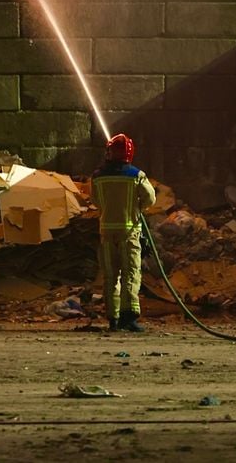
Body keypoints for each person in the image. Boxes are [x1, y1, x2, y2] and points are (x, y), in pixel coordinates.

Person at [91, 133, 156, 332]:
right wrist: (137, 207)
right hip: (129, 232)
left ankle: (113, 318)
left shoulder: (97, 177)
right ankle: (129, 317)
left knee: (111, 276)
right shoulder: (136, 175)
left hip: (106, 233)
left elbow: (96, 202)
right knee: (131, 273)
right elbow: (150, 199)